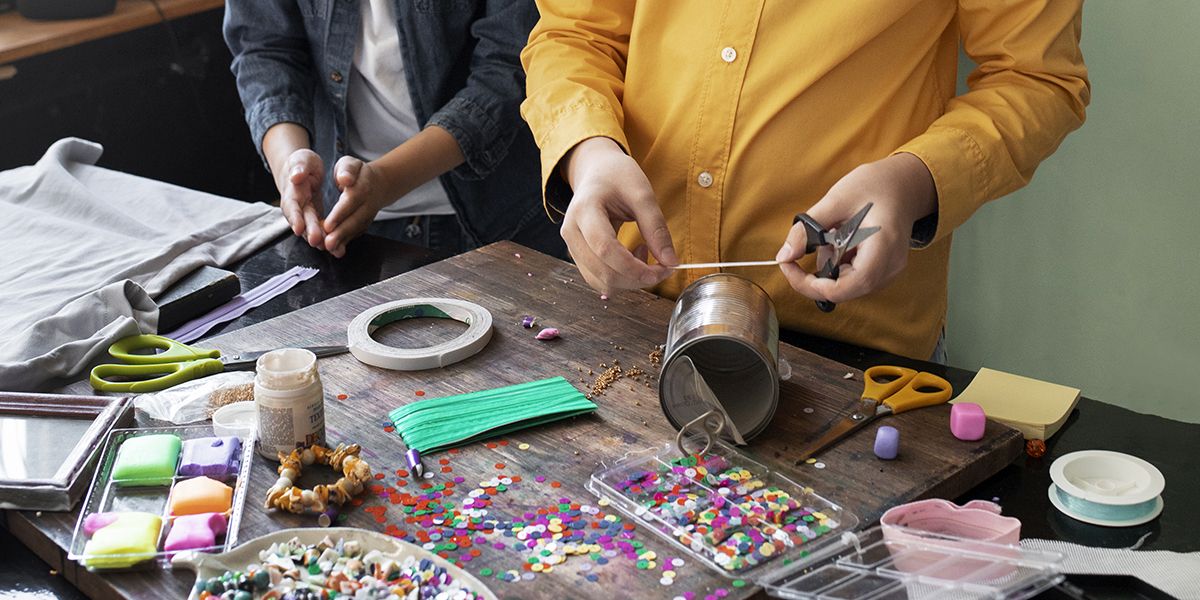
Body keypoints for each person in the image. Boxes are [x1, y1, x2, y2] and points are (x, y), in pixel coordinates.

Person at [520, 1, 1090, 360]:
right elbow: (574, 33)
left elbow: (1035, 79)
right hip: (638, 311)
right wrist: (587, 148)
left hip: (848, 341)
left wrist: (914, 181)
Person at [224, 0, 563, 258]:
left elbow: (510, 64)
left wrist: (384, 181)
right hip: (343, 222)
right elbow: (263, 48)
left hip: (507, 215)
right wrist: (291, 166)